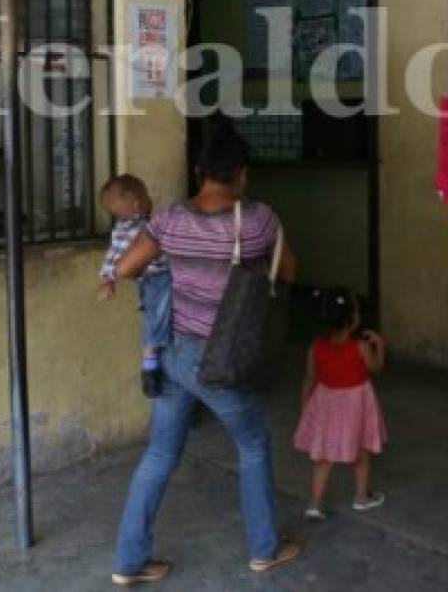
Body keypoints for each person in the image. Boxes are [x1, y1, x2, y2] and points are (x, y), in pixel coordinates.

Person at [109, 119, 301, 586]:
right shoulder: (259, 221)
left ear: (199, 171)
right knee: (253, 445)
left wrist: (179, 266)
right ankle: (264, 549)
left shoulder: (170, 219)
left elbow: (129, 268)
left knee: (159, 453)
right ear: (243, 174)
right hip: (223, 361)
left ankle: (130, 562)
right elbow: (290, 273)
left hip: (174, 353)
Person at [293, 290, 388, 520]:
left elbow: (310, 378)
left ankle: (315, 504)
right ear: (353, 320)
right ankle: (361, 497)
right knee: (362, 452)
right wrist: (380, 346)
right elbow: (375, 368)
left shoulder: (316, 347)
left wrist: (305, 406)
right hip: (356, 404)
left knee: (323, 458)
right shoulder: (360, 347)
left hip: (326, 403)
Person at [97, 175, 172, 398]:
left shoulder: (121, 228)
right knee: (157, 318)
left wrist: (107, 280)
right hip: (159, 276)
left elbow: (112, 257)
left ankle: (152, 360)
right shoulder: (148, 226)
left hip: (147, 279)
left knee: (154, 315)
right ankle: (150, 365)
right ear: (139, 203)